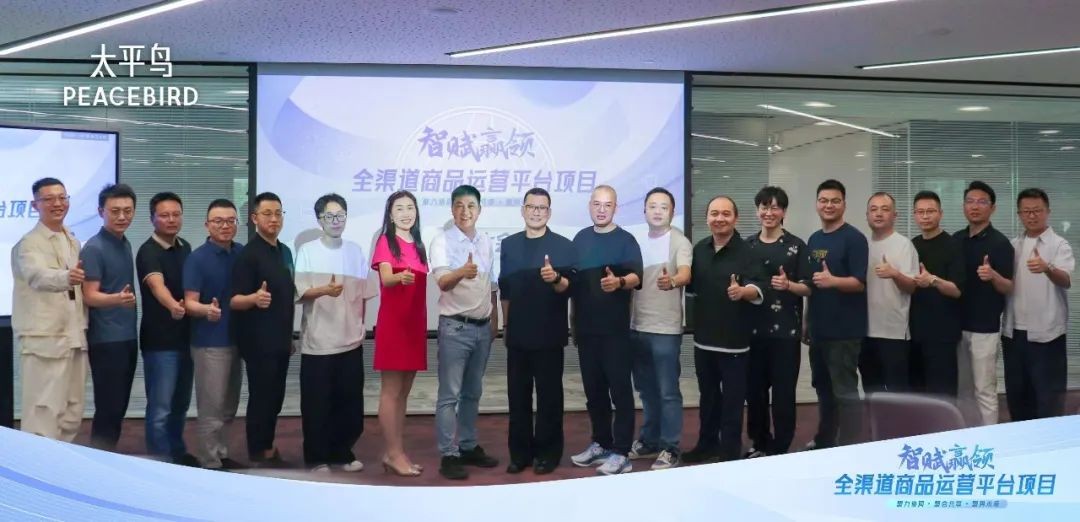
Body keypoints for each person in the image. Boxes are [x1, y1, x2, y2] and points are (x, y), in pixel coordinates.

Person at [295, 194, 375, 472]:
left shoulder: (355, 251)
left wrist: (360, 326)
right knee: (317, 405)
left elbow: (364, 294)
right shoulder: (307, 251)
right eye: (330, 216)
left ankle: (342, 452)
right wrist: (325, 290)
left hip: (350, 341)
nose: (336, 221)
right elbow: (301, 292)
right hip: (319, 342)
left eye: (341, 215)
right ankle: (317, 457)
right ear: (320, 220)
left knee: (349, 403)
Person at [682, 196, 764, 464]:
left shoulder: (748, 251)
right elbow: (691, 289)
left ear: (735, 218)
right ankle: (706, 444)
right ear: (707, 218)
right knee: (708, 398)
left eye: (726, 214)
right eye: (714, 213)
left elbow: (758, 287)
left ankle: (729, 451)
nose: (720, 218)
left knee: (732, 402)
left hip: (735, 342)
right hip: (703, 340)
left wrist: (743, 292)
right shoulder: (699, 249)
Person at [499, 188, 575, 475]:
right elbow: (505, 290)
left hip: (549, 334)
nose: (536, 212)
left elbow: (569, 288)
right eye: (531, 207)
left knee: (549, 398)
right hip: (517, 334)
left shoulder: (563, 246)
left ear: (549, 213)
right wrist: (506, 326)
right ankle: (519, 454)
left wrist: (555, 278)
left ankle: (548, 454)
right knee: (517, 398)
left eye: (542, 208)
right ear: (523, 210)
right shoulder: (509, 244)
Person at [569, 185, 643, 476]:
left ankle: (622, 452)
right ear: (590, 206)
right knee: (594, 392)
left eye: (607, 204)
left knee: (620, 393)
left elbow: (637, 276)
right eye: (597, 204)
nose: (601, 209)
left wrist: (619, 282)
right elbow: (573, 285)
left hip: (615, 332)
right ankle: (601, 443)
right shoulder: (580, 239)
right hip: (587, 331)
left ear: (615, 208)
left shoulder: (626, 240)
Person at [430, 184, 500, 480]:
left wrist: (495, 321)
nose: (465, 211)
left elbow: (491, 285)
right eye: (459, 205)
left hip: (482, 328)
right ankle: (449, 453)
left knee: (472, 392)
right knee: (450, 395)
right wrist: (462, 271)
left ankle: (468, 446)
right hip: (455, 327)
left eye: (471, 206)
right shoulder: (441, 241)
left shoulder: (486, 241)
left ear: (479, 210)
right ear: (452, 209)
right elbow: (443, 283)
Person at [12, 177, 88, 441]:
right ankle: (36, 466)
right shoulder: (29, 243)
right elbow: (37, 276)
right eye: (49, 199)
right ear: (35, 205)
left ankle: (60, 464)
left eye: (62, 197)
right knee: (42, 413)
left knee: (72, 413)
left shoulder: (72, 240)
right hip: (44, 340)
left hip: (74, 336)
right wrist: (66, 277)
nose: (58, 203)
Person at [744, 186, 810, 458]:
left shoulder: (796, 245)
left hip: (786, 332)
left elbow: (808, 287)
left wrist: (789, 285)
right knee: (755, 393)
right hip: (752, 332)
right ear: (757, 210)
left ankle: (781, 446)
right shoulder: (747, 246)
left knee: (783, 394)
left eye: (774, 207)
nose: (768, 213)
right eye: (764, 207)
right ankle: (759, 442)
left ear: (783, 212)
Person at [230, 192, 295, 467]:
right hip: (258, 341)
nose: (274, 219)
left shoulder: (284, 251)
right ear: (254, 218)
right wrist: (254, 299)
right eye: (267, 213)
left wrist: (289, 336)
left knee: (276, 397)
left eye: (278, 213)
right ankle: (258, 451)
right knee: (262, 397)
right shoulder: (249, 255)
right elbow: (234, 300)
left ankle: (267, 445)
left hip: (281, 338)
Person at [628, 187, 691, 470]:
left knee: (668, 392)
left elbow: (685, 272)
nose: (657, 211)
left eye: (663, 207)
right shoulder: (635, 240)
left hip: (665, 330)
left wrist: (673, 281)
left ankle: (670, 447)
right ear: (644, 210)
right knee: (646, 390)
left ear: (672, 212)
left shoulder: (679, 241)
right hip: (636, 326)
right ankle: (649, 440)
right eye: (652, 206)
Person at [804, 179, 868, 449]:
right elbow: (812, 284)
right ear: (817, 204)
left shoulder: (854, 238)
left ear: (844, 204)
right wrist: (807, 322)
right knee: (823, 389)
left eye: (834, 201)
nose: (828, 205)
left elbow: (859, 282)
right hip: (819, 328)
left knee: (845, 392)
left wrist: (834, 281)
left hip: (844, 332)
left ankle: (850, 446)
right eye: (823, 200)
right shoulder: (814, 239)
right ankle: (825, 439)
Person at [135, 192, 196, 466]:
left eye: (176, 214)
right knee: (160, 408)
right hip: (160, 342)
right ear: (152, 219)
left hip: (187, 338)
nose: (171, 220)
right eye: (164, 215)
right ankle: (159, 462)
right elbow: (156, 285)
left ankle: (177, 452)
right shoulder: (148, 251)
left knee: (181, 405)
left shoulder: (185, 247)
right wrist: (173, 306)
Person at [1002, 188, 1073, 420]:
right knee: (1017, 397)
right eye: (1026, 211)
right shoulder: (1013, 245)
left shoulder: (1059, 245)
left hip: (1047, 334)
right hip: (1013, 333)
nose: (1032, 216)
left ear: (1047, 211)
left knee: (1048, 398)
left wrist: (1047, 268)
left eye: (1037, 211)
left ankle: (1050, 439)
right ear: (1019, 214)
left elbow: (1066, 279)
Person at [183, 199, 244, 470]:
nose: (225, 226)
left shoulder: (241, 253)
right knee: (211, 408)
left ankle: (221, 452)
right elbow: (189, 303)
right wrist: (207, 309)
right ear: (207, 225)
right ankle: (209, 462)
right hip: (209, 343)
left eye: (230, 221)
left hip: (237, 340)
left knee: (229, 405)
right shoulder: (197, 258)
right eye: (218, 221)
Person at [372, 190, 428, 477]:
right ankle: (393, 453)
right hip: (394, 325)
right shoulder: (386, 241)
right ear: (390, 215)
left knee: (404, 393)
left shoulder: (419, 245)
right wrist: (399, 277)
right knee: (391, 391)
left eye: (410, 208)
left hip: (415, 325)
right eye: (400, 208)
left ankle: (395, 452)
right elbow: (385, 277)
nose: (406, 213)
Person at [80, 183, 139, 450]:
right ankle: (99, 457)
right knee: (108, 406)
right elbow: (89, 295)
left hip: (126, 336)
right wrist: (117, 299)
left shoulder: (124, 243)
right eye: (115, 211)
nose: (122, 216)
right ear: (100, 211)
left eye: (128, 210)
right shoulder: (94, 248)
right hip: (105, 340)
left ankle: (107, 454)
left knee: (119, 406)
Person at [954, 181, 1014, 426]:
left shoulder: (1000, 243)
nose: (974, 206)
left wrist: (993, 276)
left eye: (981, 202)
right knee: (962, 391)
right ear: (963, 206)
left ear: (993, 208)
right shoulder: (956, 239)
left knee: (984, 390)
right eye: (970, 201)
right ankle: (967, 438)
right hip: (957, 326)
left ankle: (990, 439)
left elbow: (1009, 287)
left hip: (985, 329)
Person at [861, 192, 918, 394]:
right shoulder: (862, 245)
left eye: (885, 209)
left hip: (894, 333)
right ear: (867, 215)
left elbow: (912, 287)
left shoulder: (904, 245)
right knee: (871, 391)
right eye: (873, 209)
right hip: (864, 331)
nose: (878, 214)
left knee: (897, 394)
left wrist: (894, 274)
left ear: (895, 215)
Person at [909, 191, 965, 397]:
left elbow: (957, 291)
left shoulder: (953, 245)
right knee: (918, 393)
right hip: (915, 331)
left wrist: (933, 280)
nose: (925, 216)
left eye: (930, 211)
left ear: (940, 213)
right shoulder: (912, 245)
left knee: (943, 394)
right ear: (914, 215)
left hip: (943, 334)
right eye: (920, 212)